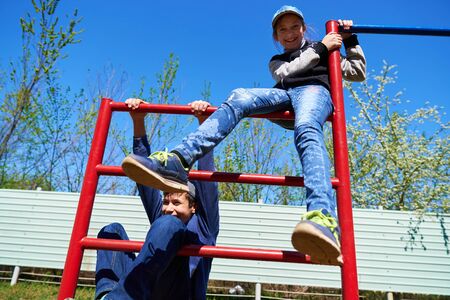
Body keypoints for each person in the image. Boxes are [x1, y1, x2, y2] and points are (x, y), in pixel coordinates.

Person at [121, 5, 366, 265]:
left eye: (295, 27)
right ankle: (178, 160)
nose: (289, 33)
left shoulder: (327, 51)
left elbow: (357, 73)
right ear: (276, 36)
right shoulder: (282, 60)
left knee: (306, 129)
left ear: (304, 28)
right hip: (284, 97)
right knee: (240, 95)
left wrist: (351, 41)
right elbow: (288, 73)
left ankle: (322, 216)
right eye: (282, 30)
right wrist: (321, 48)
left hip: (314, 93)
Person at [95, 99, 219, 300]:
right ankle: (107, 295)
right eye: (166, 201)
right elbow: (144, 178)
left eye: (177, 203)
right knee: (112, 230)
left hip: (181, 294)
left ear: (194, 206)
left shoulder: (205, 227)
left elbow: (208, 182)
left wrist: (204, 124)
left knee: (168, 224)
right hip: (148, 290)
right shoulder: (161, 217)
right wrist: (138, 121)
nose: (169, 208)